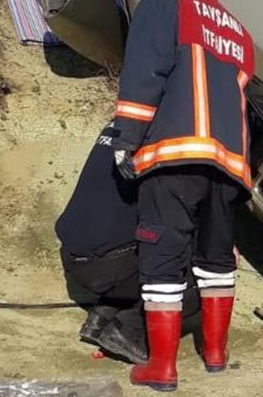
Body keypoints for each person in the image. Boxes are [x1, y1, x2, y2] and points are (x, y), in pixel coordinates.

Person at [108, 0, 255, 392]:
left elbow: (145, 67)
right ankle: (215, 354)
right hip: (228, 162)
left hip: (175, 151)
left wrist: (127, 138)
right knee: (215, 259)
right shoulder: (236, 27)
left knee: (163, 256)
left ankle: (163, 368)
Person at [54, 120, 200, 366]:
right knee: (206, 265)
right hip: (105, 263)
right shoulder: (170, 138)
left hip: (75, 252)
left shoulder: (125, 120)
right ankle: (130, 329)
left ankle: (103, 314)